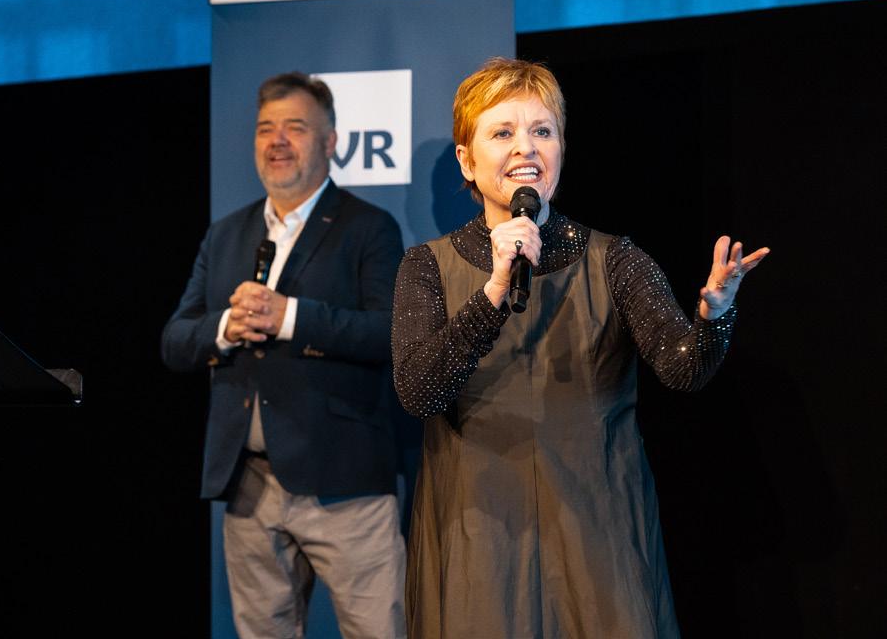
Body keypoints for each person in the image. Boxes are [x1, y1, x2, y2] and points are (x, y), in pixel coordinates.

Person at [392, 57, 770, 638]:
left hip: (597, 529)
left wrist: (714, 315)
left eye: (542, 131)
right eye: (502, 133)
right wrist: (493, 291)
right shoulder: (426, 267)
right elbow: (419, 392)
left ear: (561, 148)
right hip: (479, 534)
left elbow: (683, 369)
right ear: (466, 160)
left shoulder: (615, 258)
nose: (526, 147)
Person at [162, 72, 407, 638]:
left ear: (331, 142)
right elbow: (175, 340)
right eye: (265, 128)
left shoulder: (369, 227)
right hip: (249, 486)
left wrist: (289, 317)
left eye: (295, 127)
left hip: (345, 484)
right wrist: (227, 326)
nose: (277, 141)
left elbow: (390, 333)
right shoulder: (226, 234)